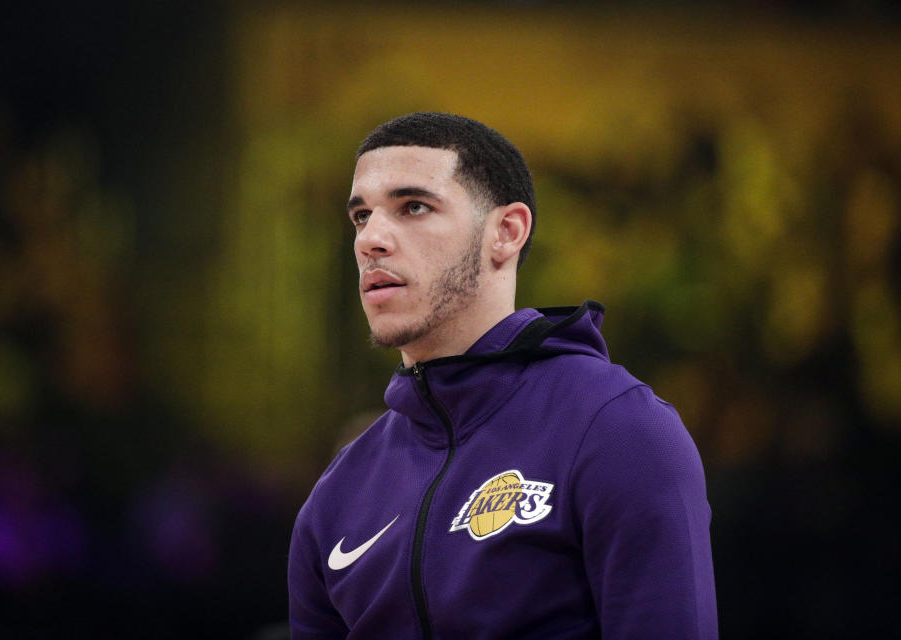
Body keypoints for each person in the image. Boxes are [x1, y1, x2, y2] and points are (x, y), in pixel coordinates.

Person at [288, 112, 718, 639]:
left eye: (413, 207)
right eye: (361, 216)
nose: (370, 240)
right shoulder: (338, 495)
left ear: (506, 233)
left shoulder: (618, 430)